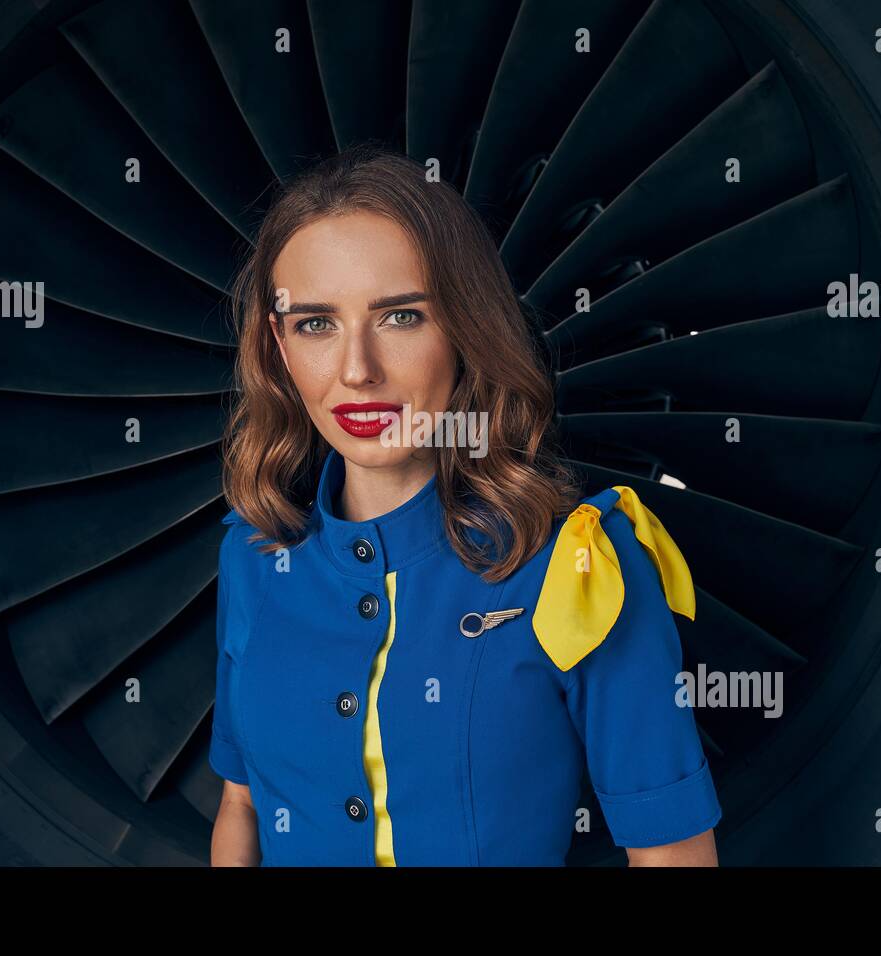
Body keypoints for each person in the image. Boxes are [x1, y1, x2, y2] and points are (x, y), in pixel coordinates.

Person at [208, 144, 720, 866]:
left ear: (466, 328)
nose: (357, 370)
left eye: (401, 317)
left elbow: (671, 856)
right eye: (315, 324)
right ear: (279, 347)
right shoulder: (254, 555)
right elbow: (241, 807)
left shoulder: (582, 568)